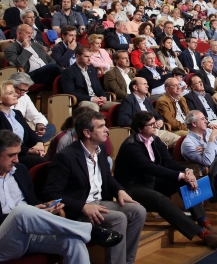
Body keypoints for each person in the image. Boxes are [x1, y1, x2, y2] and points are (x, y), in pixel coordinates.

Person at [0, 130, 124, 264]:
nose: (17, 160)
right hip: (0, 242)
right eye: (11, 155)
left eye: (17, 154)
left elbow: (33, 202)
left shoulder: (19, 171)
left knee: (74, 242)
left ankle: (83, 231)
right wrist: (21, 215)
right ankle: (90, 230)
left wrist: (45, 207)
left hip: (32, 233)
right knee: (21, 212)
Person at [41, 110, 147, 264]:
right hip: (78, 209)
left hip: (100, 202)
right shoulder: (65, 157)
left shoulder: (100, 149)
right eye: (101, 127)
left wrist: (120, 190)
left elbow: (106, 177)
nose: (107, 130)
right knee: (118, 218)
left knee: (138, 211)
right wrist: (83, 206)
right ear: (87, 132)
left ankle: (127, 261)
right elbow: (50, 193)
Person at [113, 111, 217, 248]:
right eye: (151, 125)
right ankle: (201, 233)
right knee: (160, 199)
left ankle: (203, 221)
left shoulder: (155, 139)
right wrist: (181, 175)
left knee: (185, 181)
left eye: (155, 123)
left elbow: (168, 162)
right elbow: (149, 168)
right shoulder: (131, 145)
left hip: (150, 181)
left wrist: (186, 172)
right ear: (140, 129)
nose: (156, 126)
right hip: (131, 187)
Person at [0, 81, 46, 168]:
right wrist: (29, 150)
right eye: (10, 93)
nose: (16, 94)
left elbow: (30, 133)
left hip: (20, 153)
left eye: (14, 92)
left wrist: (39, 143)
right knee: (40, 162)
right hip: (2, 156)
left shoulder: (17, 113)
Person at [118, 77, 181, 148]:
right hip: (143, 133)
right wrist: (145, 124)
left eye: (147, 84)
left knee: (180, 141)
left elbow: (157, 116)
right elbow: (123, 121)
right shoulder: (128, 101)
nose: (147, 86)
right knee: (178, 141)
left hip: (154, 130)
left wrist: (160, 121)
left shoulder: (147, 100)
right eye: (144, 84)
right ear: (135, 87)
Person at [61, 45, 110, 112]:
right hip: (81, 101)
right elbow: (70, 93)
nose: (89, 59)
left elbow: (99, 88)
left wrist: (103, 97)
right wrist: (92, 99)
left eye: (90, 56)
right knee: (93, 106)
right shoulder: (69, 72)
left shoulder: (92, 71)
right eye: (86, 57)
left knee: (118, 106)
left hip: (97, 100)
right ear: (77, 56)